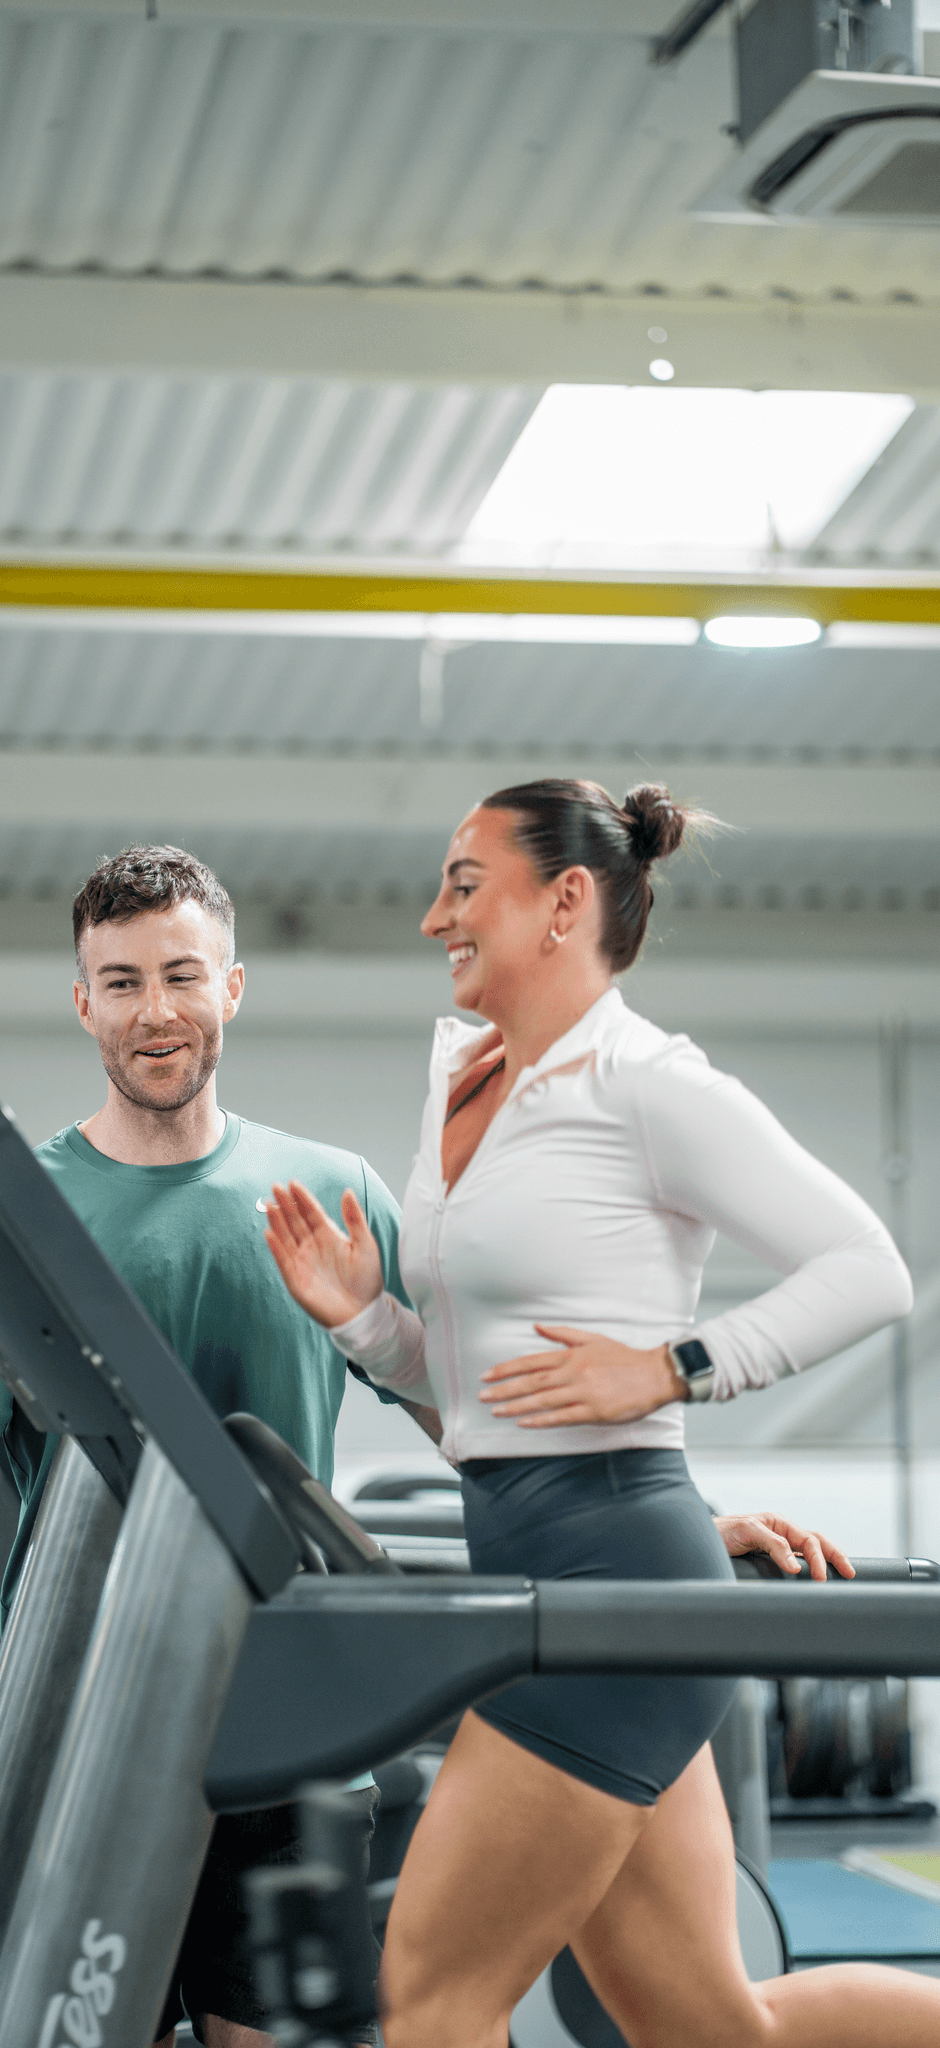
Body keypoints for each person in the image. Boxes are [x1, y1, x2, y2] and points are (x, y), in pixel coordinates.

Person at [263, 778, 935, 2048]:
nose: (432, 917)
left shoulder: (649, 1084)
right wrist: (362, 1319)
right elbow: (481, 1400)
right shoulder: (462, 1077)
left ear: (565, 900)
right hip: (560, 1570)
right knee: (712, 2027)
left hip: (613, 1573)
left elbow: (870, 1267)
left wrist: (675, 1366)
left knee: (431, 1995)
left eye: (464, 885)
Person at [0, 843, 435, 2048]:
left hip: (288, 1722)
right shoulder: (14, 1215)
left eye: (182, 973)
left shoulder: (334, 1190)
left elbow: (472, 1416)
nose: (155, 1010)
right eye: (121, 982)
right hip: (70, 1721)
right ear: (83, 1004)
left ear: (233, 986)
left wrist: (676, 1511)